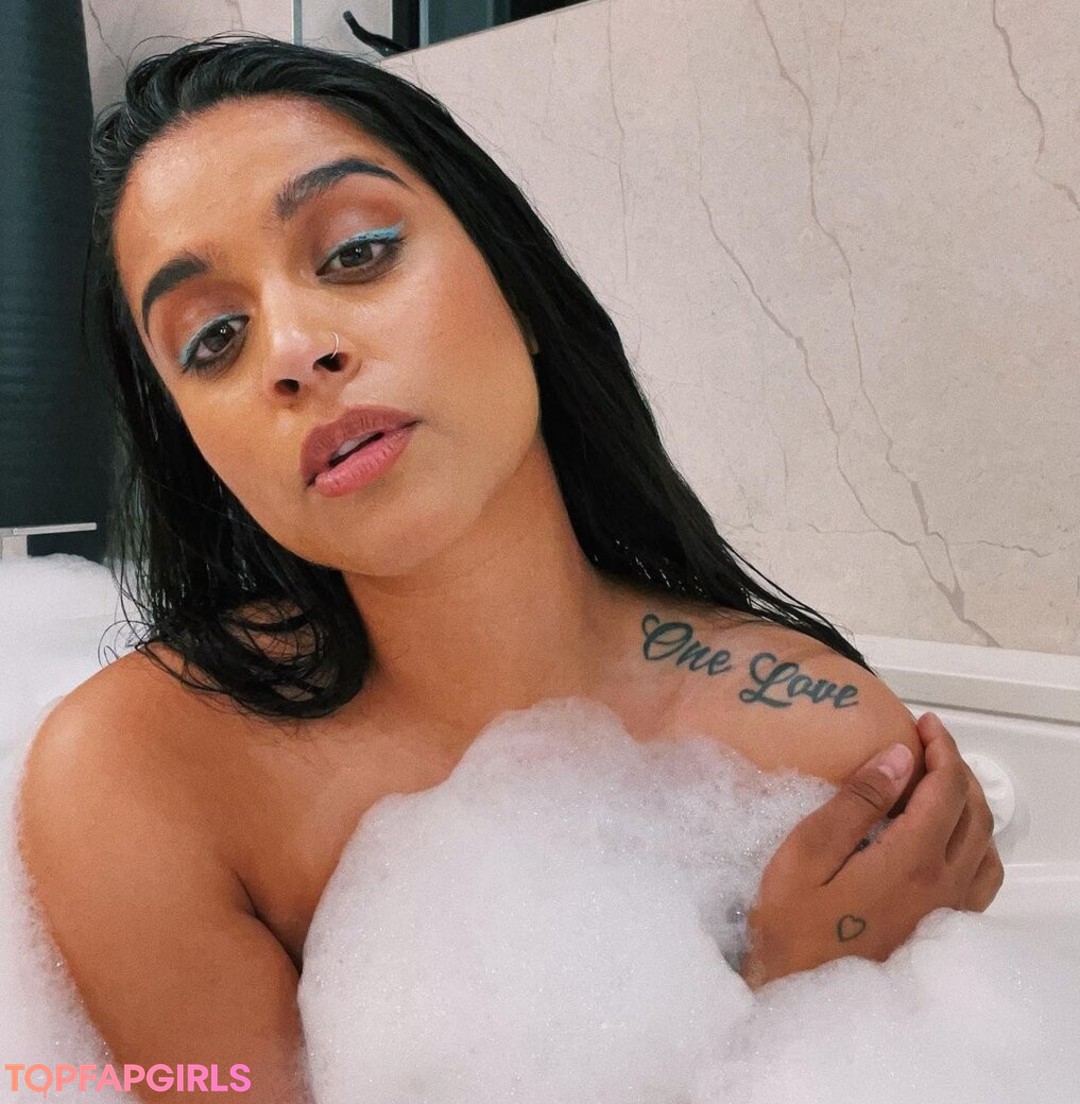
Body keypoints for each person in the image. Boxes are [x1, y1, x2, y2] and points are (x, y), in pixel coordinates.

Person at [16, 34, 1001, 1104]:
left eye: (356, 253)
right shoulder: (142, 778)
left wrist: (801, 1017)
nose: (295, 351)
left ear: (518, 288)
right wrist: (766, 997)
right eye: (213, 339)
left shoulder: (813, 742)